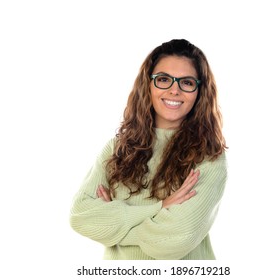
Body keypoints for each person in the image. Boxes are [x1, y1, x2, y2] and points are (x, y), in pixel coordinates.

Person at [69, 39, 228, 260]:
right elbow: (80, 217)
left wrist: (114, 224)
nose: (174, 90)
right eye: (163, 79)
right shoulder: (118, 147)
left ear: (199, 91)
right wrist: (159, 208)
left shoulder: (209, 156)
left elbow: (172, 243)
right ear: (148, 84)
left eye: (187, 83)